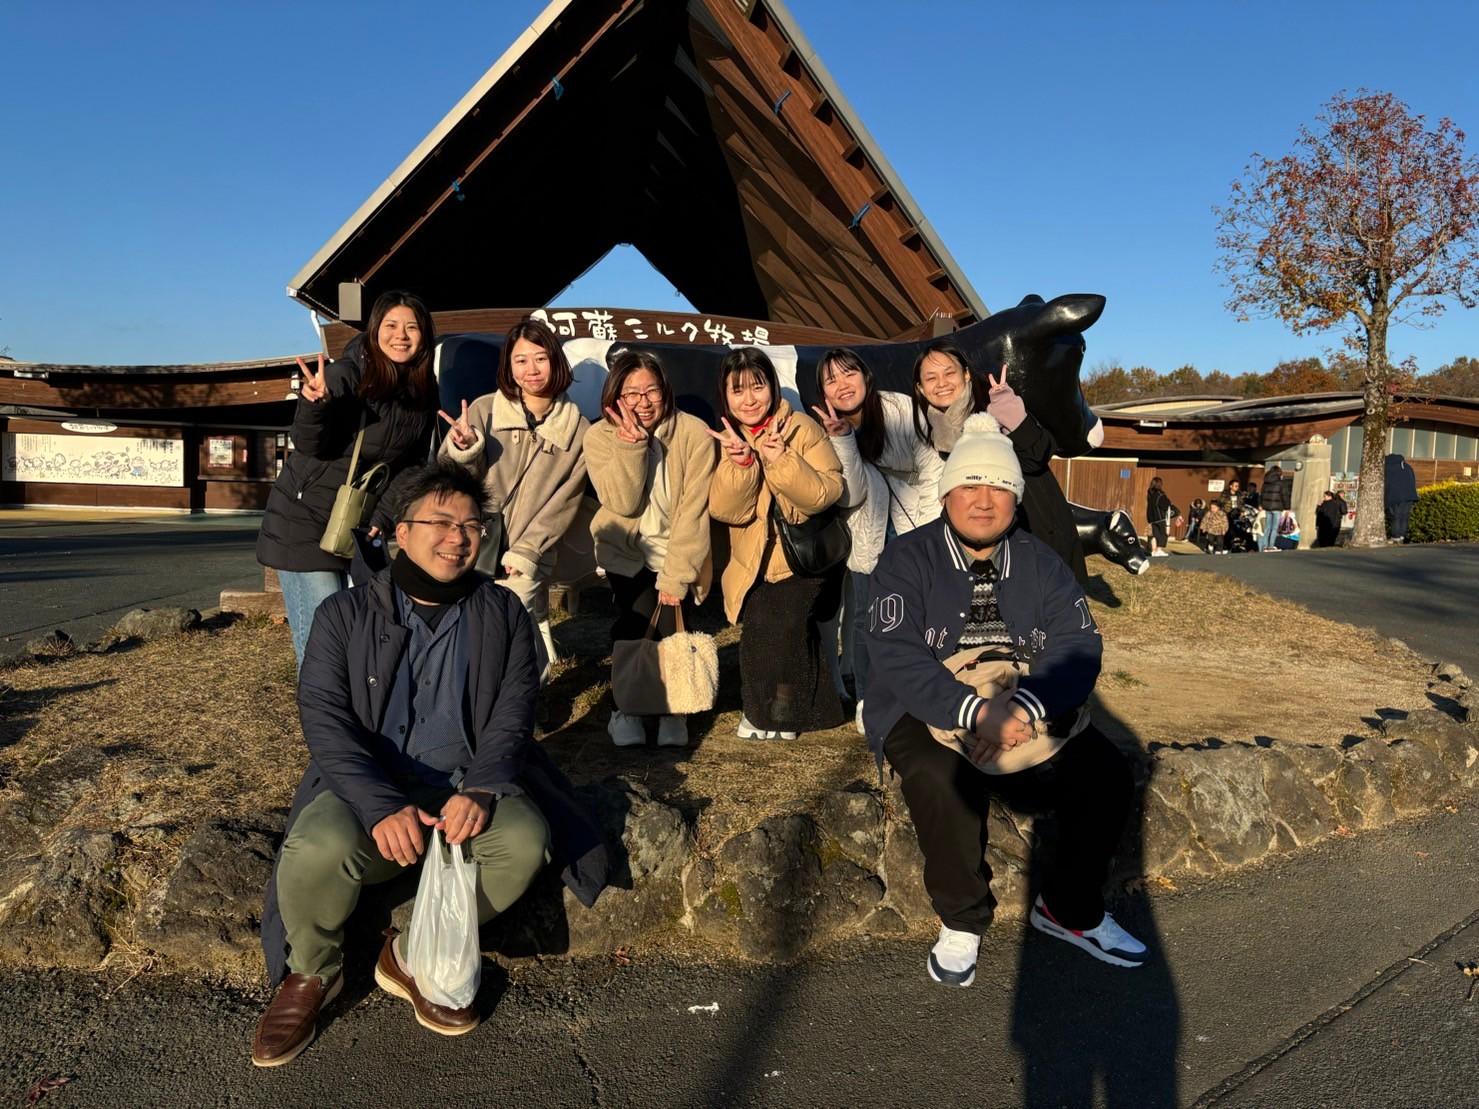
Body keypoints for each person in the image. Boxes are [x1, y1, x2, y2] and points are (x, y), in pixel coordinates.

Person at [252, 463, 606, 1067]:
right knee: (316, 848)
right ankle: (314, 972)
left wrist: (487, 787)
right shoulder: (346, 615)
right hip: (371, 783)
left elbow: (515, 713)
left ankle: (414, 950)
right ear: (400, 533)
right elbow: (324, 718)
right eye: (440, 522)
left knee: (523, 842)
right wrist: (379, 803)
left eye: (472, 525)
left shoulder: (503, 613)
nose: (458, 537)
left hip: (466, 780)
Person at [864, 412, 1146, 987]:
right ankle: (963, 917)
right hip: (928, 700)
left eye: (999, 487)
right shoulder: (906, 558)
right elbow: (895, 655)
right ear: (947, 494)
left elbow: (1077, 646)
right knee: (938, 775)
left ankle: (1069, 910)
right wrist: (973, 711)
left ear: (1016, 500)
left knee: (1105, 774)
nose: (984, 500)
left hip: (1022, 694)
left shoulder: (1042, 563)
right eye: (970, 484)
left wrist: (1026, 708)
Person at [256, 290, 439, 668]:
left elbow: (413, 465)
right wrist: (313, 404)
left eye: (411, 327)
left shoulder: (422, 392)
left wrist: (381, 520)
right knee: (322, 637)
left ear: (425, 336)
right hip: (303, 519)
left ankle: (354, 717)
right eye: (390, 325)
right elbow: (307, 443)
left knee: (359, 628)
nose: (400, 335)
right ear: (375, 330)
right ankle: (324, 722)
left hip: (358, 526)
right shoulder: (346, 373)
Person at [439, 318, 590, 679]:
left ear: (556, 361)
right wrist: (465, 450)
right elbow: (448, 480)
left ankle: (520, 710)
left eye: (540, 358)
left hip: (528, 549)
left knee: (508, 631)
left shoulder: (578, 429)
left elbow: (565, 501)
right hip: (473, 541)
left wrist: (529, 550)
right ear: (508, 365)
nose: (531, 370)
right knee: (464, 630)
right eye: (520, 360)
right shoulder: (484, 410)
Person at [709, 346, 846, 740]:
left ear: (773, 386)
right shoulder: (731, 438)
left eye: (757, 386)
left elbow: (824, 493)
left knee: (777, 627)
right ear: (726, 396)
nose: (749, 399)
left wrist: (783, 460)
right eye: (738, 390)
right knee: (764, 632)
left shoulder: (800, 427)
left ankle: (772, 714)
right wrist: (742, 465)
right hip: (752, 560)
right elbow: (726, 511)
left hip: (802, 557)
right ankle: (792, 710)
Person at [583, 348, 716, 748]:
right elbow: (621, 502)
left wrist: (677, 575)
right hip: (626, 550)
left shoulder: (692, 433)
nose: (643, 402)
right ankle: (628, 708)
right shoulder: (599, 435)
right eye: (631, 394)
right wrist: (630, 448)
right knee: (634, 628)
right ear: (615, 397)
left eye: (651, 391)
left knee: (673, 632)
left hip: (678, 549)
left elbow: (695, 510)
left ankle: (674, 710)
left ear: (666, 391)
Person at [812, 347, 943, 733]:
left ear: (867, 378)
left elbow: (933, 468)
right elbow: (850, 495)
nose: (842, 385)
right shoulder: (828, 429)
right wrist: (843, 441)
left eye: (848, 374)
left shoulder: (900, 409)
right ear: (823, 392)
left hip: (917, 524)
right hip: (868, 533)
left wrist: (927, 533)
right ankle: (869, 697)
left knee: (917, 615)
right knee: (868, 618)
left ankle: (916, 690)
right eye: (831, 380)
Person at [911, 341, 1087, 582]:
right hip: (986, 552)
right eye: (931, 378)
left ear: (966, 374)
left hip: (1038, 537)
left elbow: (1038, 454)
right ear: (920, 388)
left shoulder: (993, 412)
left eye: (949, 373)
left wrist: (1009, 410)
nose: (941, 383)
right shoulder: (929, 437)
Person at [1384, 453, 1419, 542]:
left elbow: (1386, 483)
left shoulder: (1387, 468)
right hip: (1409, 496)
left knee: (1395, 516)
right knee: (1404, 516)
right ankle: (1401, 535)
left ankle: (1395, 536)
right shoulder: (1407, 467)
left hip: (1394, 495)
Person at [1145, 476, 1178, 557]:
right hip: (1161, 518)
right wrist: (1177, 512)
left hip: (1152, 518)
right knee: (1163, 534)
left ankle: (1153, 551)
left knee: (1154, 535)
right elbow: (1167, 505)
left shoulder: (1150, 494)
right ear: (1160, 484)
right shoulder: (1160, 495)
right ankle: (1159, 550)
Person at [1258, 466, 1287, 551]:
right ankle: (1271, 546)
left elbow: (1261, 494)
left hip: (1267, 507)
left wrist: (1261, 504)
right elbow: (1284, 495)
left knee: (1267, 527)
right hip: (1277, 508)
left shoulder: (1266, 482)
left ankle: (1264, 546)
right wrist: (1287, 507)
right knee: (1275, 528)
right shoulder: (1280, 483)